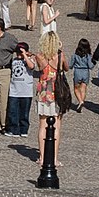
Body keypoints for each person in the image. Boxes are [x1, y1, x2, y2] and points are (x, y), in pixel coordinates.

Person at [34, 31, 68, 166]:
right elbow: (66, 67)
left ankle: (42, 157)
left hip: (43, 90)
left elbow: (41, 69)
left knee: (42, 124)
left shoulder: (39, 56)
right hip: (56, 91)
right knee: (57, 125)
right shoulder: (59, 55)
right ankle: (53, 157)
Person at [6, 40, 37, 136]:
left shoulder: (30, 60)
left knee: (24, 113)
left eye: (20, 52)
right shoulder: (14, 61)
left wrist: (25, 56)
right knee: (12, 112)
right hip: (14, 91)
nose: (18, 54)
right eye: (18, 52)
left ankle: (23, 130)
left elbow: (31, 67)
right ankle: (13, 129)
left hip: (26, 91)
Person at [70, 36, 93, 111]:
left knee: (76, 88)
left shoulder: (75, 55)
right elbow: (91, 66)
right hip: (85, 72)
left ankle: (80, 101)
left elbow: (70, 65)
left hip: (78, 71)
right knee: (83, 88)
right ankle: (82, 101)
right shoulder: (88, 56)